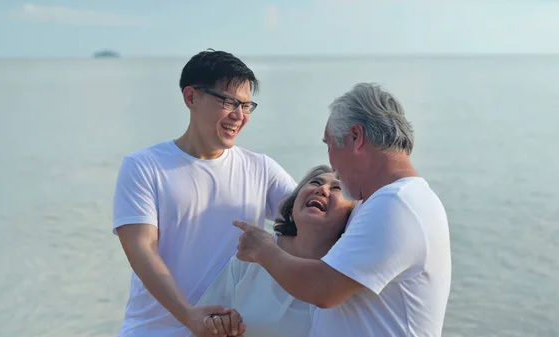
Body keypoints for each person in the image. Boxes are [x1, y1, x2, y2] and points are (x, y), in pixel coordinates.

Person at [232, 83, 452, 337]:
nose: (332, 164)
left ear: (356, 137)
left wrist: (263, 249)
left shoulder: (396, 204)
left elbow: (323, 288)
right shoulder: (395, 200)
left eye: (330, 145)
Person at [112, 49, 297, 337]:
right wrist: (188, 316)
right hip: (152, 331)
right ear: (191, 97)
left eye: (246, 106)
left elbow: (310, 221)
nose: (239, 116)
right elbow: (141, 250)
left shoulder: (261, 168)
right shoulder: (144, 166)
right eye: (228, 102)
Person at [196, 165, 356, 337]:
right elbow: (203, 321)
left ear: (354, 215)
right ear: (293, 204)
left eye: (337, 188)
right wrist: (217, 325)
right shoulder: (251, 258)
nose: (322, 190)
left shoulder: (351, 272)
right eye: (315, 182)